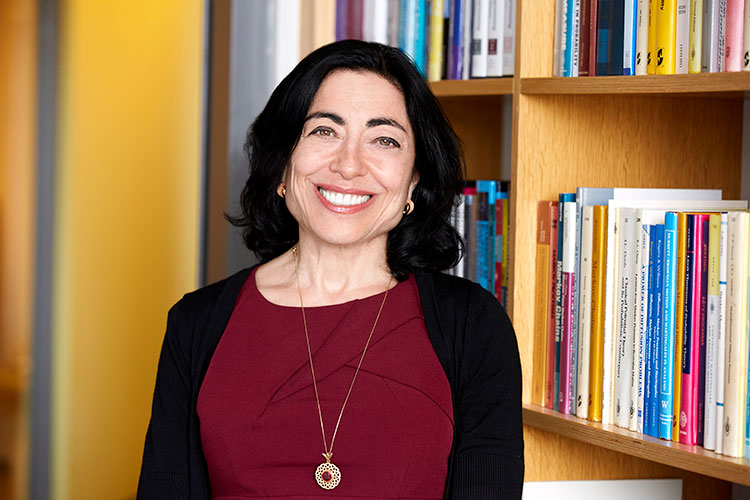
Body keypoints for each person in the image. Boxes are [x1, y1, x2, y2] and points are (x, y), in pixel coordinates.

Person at [137, 39, 523, 500]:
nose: (348, 165)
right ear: (283, 161)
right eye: (324, 131)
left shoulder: (474, 327)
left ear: (413, 180)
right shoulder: (195, 323)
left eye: (384, 139)